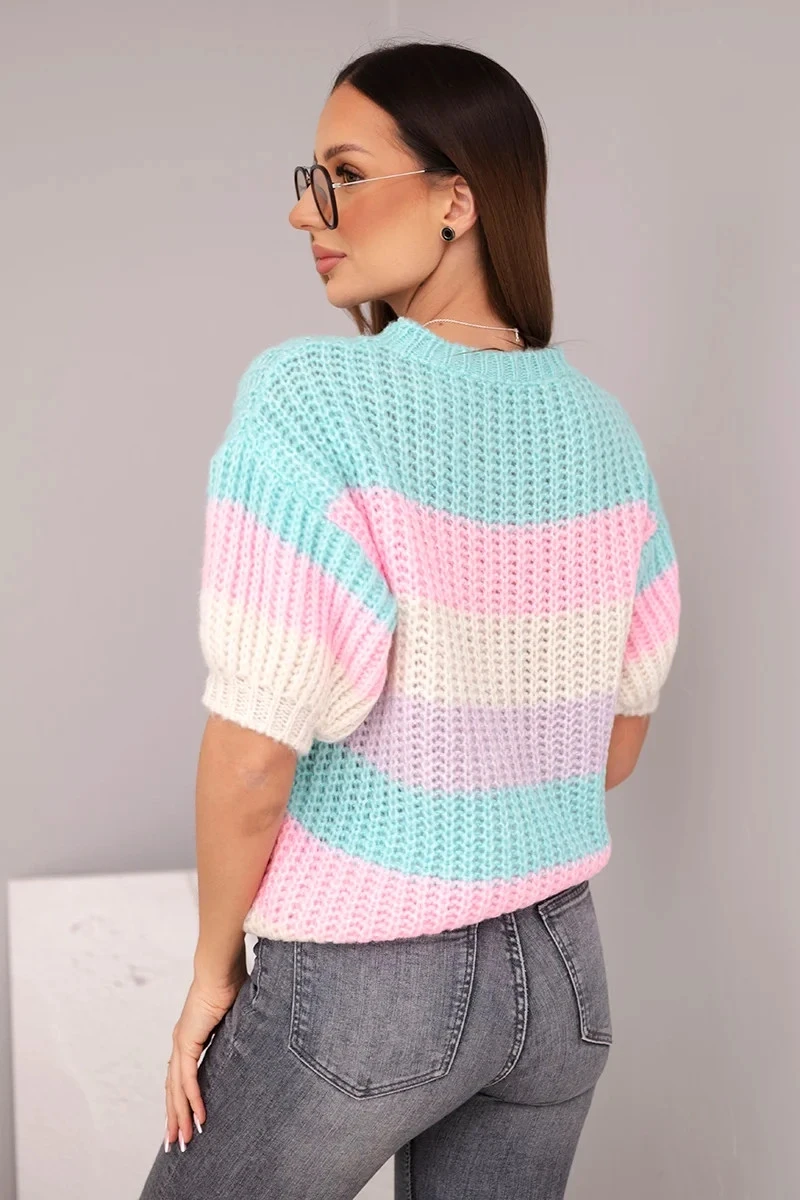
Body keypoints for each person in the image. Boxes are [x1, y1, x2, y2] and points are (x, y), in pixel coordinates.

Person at [139, 38, 680, 1200]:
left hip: (366, 979)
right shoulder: (604, 433)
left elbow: (252, 758)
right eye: (310, 179)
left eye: (342, 174)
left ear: (455, 200)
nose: (306, 213)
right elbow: (613, 746)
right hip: (563, 973)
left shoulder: (313, 398)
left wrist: (210, 970)